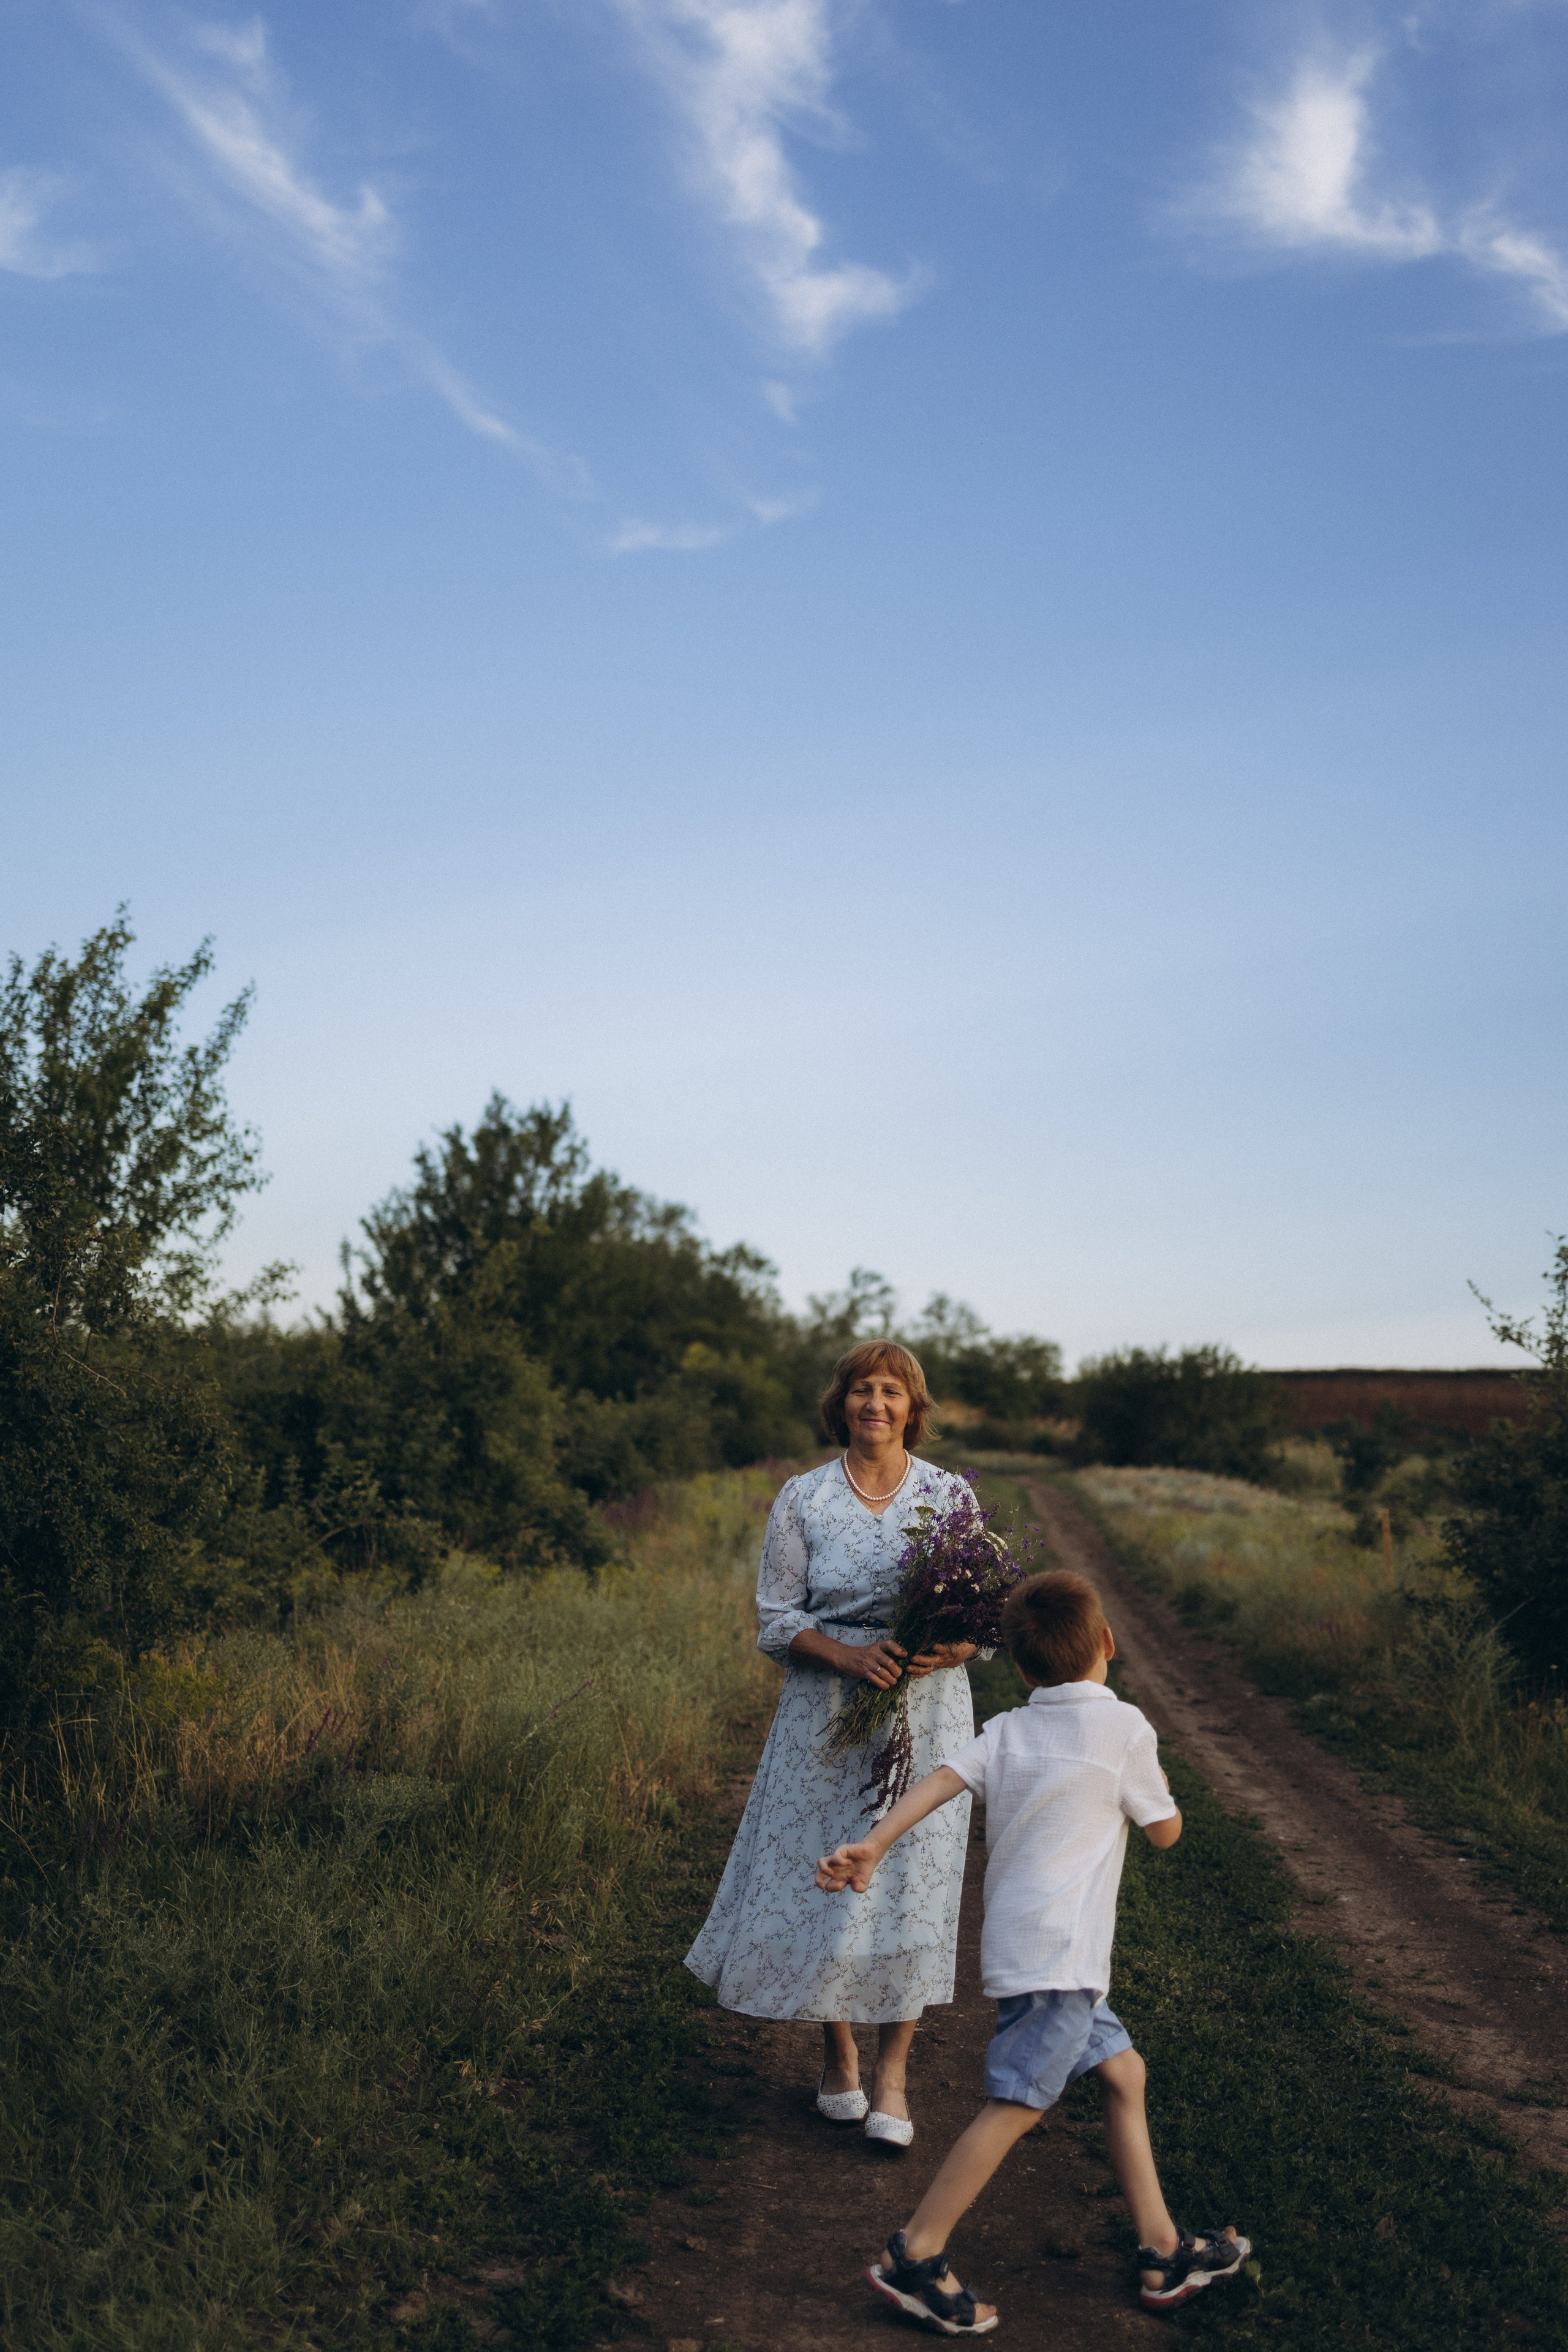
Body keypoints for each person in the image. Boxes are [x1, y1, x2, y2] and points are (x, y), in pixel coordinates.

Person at [816, 1569, 1251, 2333]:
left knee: (1123, 2073)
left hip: (1033, 1954)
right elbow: (1165, 1830)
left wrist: (874, 1845)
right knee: (1016, 2103)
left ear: (1019, 1668)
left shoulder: (1009, 1729)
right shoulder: (1124, 1729)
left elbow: (941, 1781)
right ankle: (914, 2254)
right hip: (1063, 1961)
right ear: (1108, 1645)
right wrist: (1158, 1791)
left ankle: (1161, 2251)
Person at [685, 1339, 982, 2147]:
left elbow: (977, 1623)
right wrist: (848, 1656)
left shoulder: (949, 1496)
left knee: (912, 1883)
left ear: (912, 1407)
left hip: (926, 1714)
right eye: (861, 1390)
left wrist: (939, 1650)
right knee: (829, 1874)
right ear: (841, 1403)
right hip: (825, 1709)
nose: (875, 1404)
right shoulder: (804, 1498)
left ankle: (894, 2071)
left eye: (890, 1391)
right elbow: (777, 1619)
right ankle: (839, 2055)